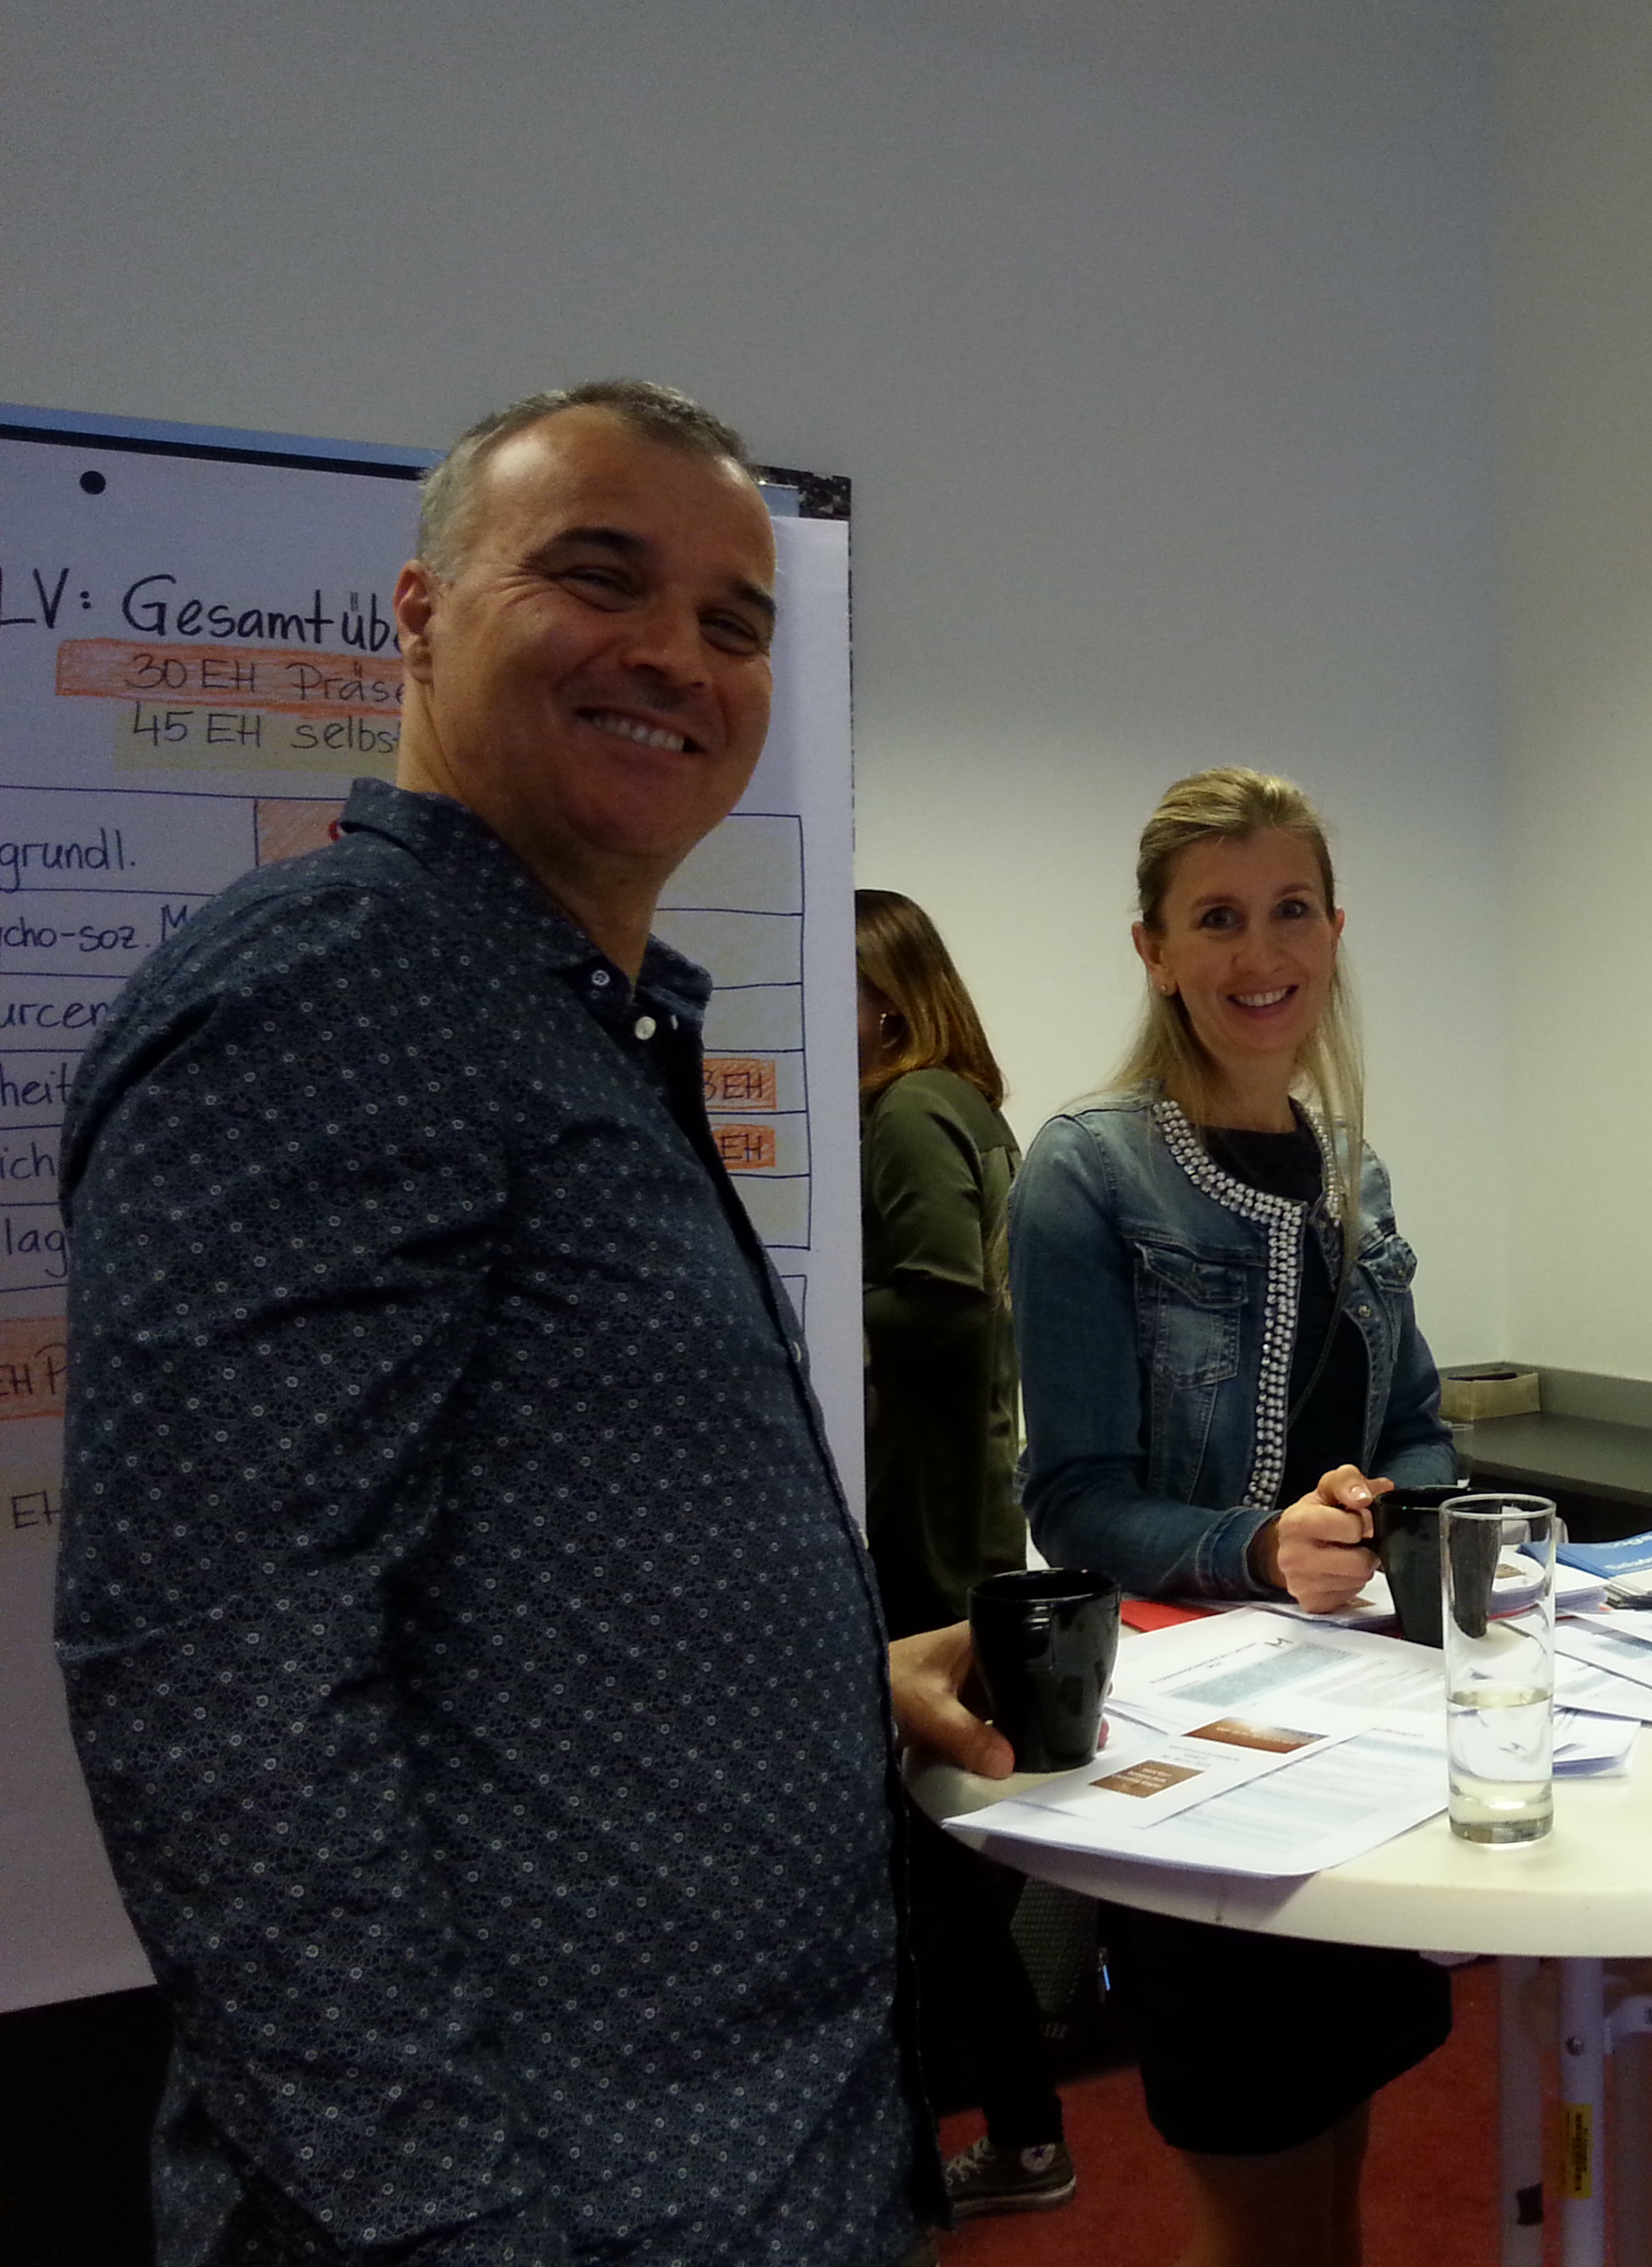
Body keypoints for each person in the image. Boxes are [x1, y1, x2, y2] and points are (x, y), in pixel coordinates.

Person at [55, 382, 987, 2267]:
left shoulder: (558, 1013)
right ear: (418, 613)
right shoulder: (334, 997)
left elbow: (520, 1566)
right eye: (599, 576)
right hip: (557, 2198)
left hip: (756, 2154)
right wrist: (448, 2225)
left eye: (737, 623)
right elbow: (219, 1705)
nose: (677, 654)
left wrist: (820, 1688)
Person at [1014, 766, 1457, 2267]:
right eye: (1215, 918)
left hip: (1370, 1729)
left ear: (1333, 930)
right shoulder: (1086, 1172)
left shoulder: (1356, 1169)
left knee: (1333, 2155)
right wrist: (1256, 1547)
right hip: (1201, 1754)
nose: (1258, 955)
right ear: (1152, 947)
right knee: (1257, 2189)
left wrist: (1404, 1511)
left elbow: (1413, 1424)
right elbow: (1071, 1503)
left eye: (1286, 912)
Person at [853, 887, 1079, 2218]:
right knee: (947, 1876)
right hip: (958, 1529)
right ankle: (1021, 2130)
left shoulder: (911, 1110)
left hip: (936, 1544)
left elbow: (943, 1308)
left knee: (940, 1881)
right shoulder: (959, 1108)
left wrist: (796, 1288)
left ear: (885, 993)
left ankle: (1027, 2137)